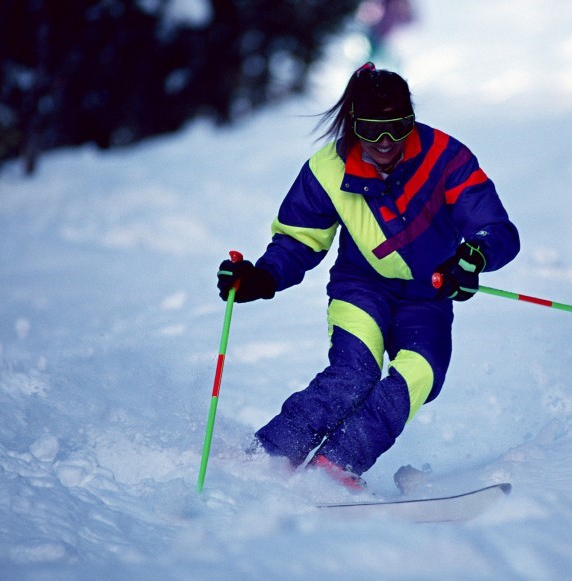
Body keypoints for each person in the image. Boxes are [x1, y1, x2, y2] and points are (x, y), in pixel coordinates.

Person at [216, 62, 520, 489]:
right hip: (360, 288)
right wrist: (263, 277)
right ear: (353, 124)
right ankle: (270, 456)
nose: (384, 142)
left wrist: (475, 255)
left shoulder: (445, 158)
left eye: (396, 128)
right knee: (355, 372)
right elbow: (300, 239)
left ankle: (335, 466)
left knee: (421, 374)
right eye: (372, 129)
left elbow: (495, 227)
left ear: (410, 122)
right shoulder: (328, 170)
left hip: (426, 297)